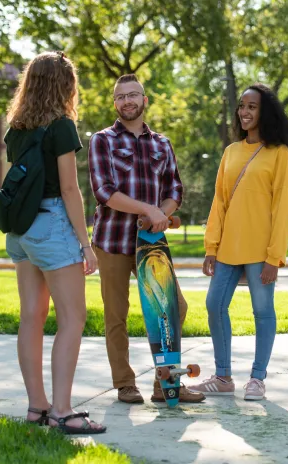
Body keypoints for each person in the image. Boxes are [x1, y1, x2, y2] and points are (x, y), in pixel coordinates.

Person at [4, 51, 105, 434]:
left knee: (31, 317)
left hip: (20, 230)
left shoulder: (16, 128)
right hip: (51, 224)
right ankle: (63, 410)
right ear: (65, 85)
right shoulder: (61, 126)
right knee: (73, 319)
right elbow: (68, 189)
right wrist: (86, 243)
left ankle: (37, 407)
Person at [88, 74, 205, 405]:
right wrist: (149, 209)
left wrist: (160, 213)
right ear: (115, 104)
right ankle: (125, 383)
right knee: (116, 317)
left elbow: (175, 190)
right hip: (112, 241)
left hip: (151, 244)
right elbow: (104, 191)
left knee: (174, 308)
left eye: (133, 95)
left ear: (144, 100)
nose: (127, 101)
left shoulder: (162, 144)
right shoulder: (102, 140)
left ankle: (165, 383)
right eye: (120, 97)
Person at [188, 83, 288, 401]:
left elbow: (283, 209)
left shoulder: (280, 155)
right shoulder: (231, 152)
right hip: (227, 249)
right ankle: (223, 377)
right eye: (242, 106)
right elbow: (219, 201)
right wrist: (211, 247)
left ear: (265, 112)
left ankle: (257, 378)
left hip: (261, 250)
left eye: (252, 106)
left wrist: (275, 256)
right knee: (214, 305)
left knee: (262, 311)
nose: (245, 112)